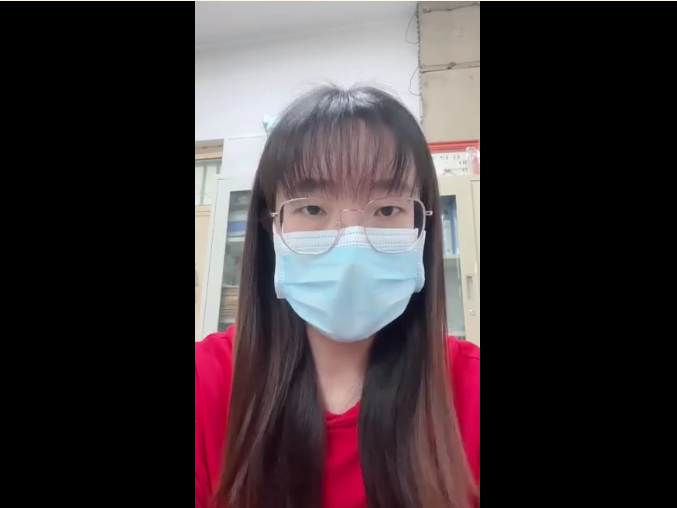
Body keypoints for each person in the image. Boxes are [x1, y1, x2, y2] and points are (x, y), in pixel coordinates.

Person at [195, 85, 480, 508]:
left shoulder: (470, 390)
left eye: (387, 210)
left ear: (423, 227)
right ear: (271, 228)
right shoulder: (206, 383)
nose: (351, 246)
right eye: (312, 209)